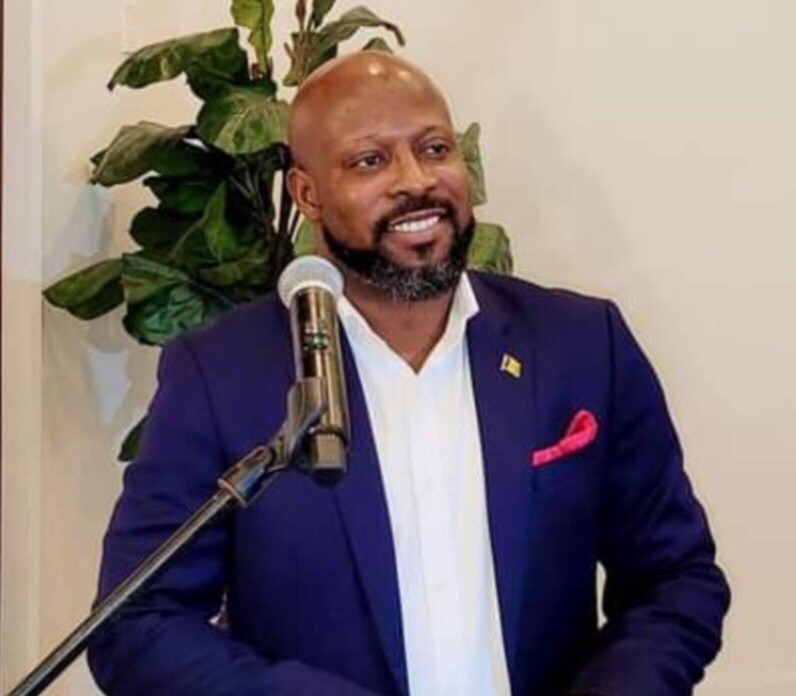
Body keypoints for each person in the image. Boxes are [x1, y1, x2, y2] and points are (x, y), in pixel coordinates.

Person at [87, 52, 730, 696]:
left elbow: (676, 577)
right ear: (307, 194)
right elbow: (137, 624)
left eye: (434, 149)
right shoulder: (222, 374)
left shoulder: (582, 343)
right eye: (370, 160)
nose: (416, 180)